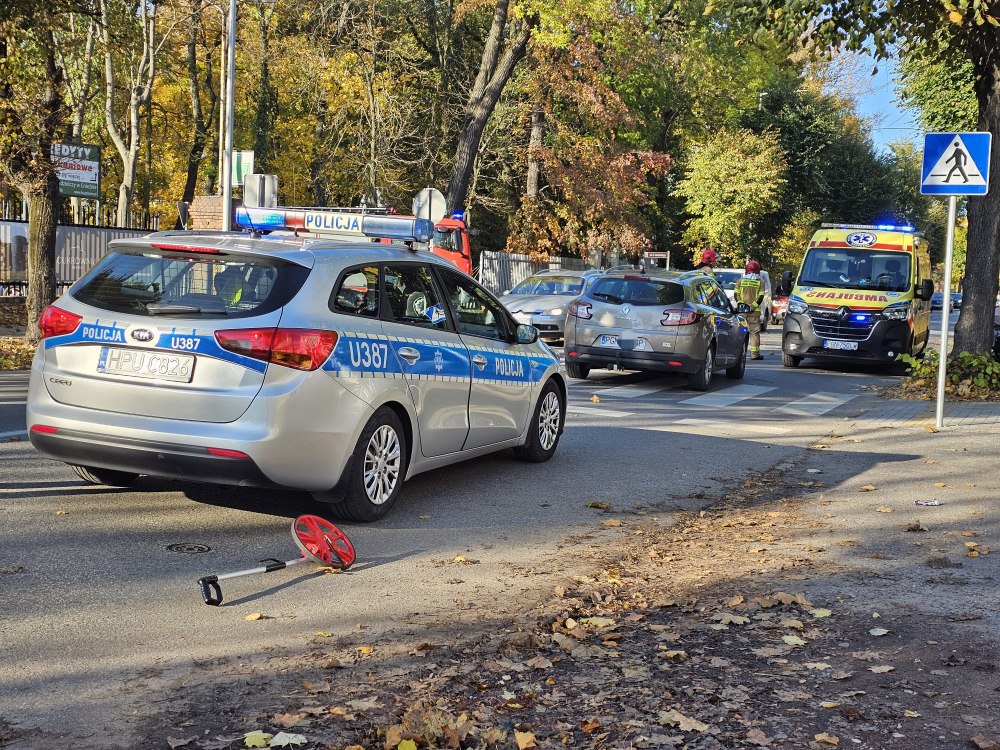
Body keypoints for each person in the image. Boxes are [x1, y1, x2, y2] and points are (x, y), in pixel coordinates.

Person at [735, 259, 765, 360]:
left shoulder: (740, 281)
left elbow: (736, 295)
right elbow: (760, 297)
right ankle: (754, 354)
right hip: (754, 312)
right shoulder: (760, 282)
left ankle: (737, 354)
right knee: (754, 333)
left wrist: (742, 306)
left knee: (740, 332)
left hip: (742, 311)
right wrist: (752, 307)